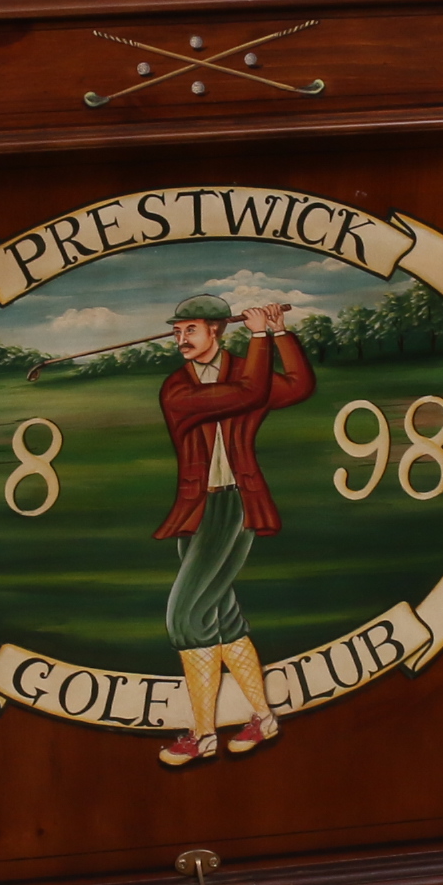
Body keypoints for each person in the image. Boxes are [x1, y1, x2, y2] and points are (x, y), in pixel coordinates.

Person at [153, 294, 313, 766]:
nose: (181, 339)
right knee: (220, 618)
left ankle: (203, 735)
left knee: (186, 617)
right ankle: (263, 719)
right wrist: (261, 337)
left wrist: (278, 333)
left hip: (235, 504)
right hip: (195, 509)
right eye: (177, 331)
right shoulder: (176, 390)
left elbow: (300, 386)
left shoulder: (249, 371)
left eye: (191, 330)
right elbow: (247, 393)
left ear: (217, 331)